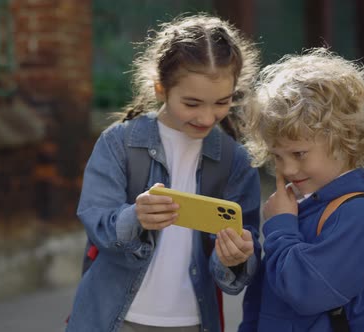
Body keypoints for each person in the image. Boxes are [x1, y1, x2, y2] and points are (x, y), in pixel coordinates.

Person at [67, 14, 262, 332]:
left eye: (221, 102)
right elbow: (97, 224)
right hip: (113, 318)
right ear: (160, 88)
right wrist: (135, 217)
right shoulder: (120, 142)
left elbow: (241, 268)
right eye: (192, 103)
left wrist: (235, 257)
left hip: (192, 322)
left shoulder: (236, 162)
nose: (207, 116)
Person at [239, 48, 364, 332]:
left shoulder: (361, 213)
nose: (287, 169)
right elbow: (268, 298)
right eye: (278, 156)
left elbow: (307, 291)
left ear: (344, 139)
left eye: (299, 154)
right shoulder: (308, 202)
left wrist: (280, 228)